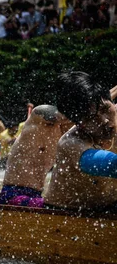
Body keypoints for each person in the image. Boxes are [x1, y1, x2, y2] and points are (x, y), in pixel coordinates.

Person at [44, 72, 117, 210]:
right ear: (79, 124)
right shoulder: (71, 143)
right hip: (62, 214)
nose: (104, 120)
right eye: (91, 118)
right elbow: (113, 166)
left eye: (105, 109)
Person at [0, 105, 72, 207]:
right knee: (57, 205)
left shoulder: (67, 135)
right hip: (13, 195)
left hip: (36, 195)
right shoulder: (37, 116)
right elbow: (57, 116)